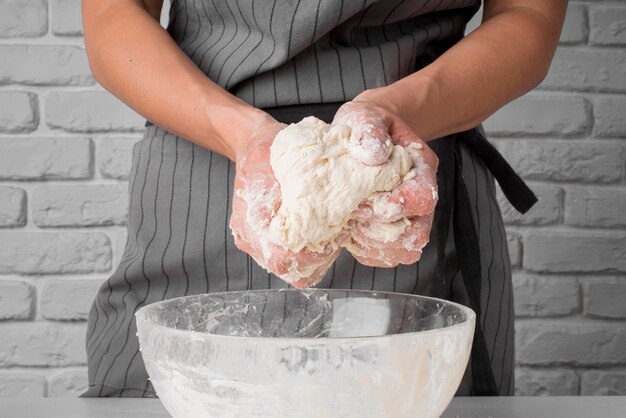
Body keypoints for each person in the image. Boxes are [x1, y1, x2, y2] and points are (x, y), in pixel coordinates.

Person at [80, 0, 567, 398]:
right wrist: (242, 133)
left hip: (399, 183)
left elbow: (528, 17)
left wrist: (393, 109)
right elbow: (113, 18)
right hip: (200, 165)